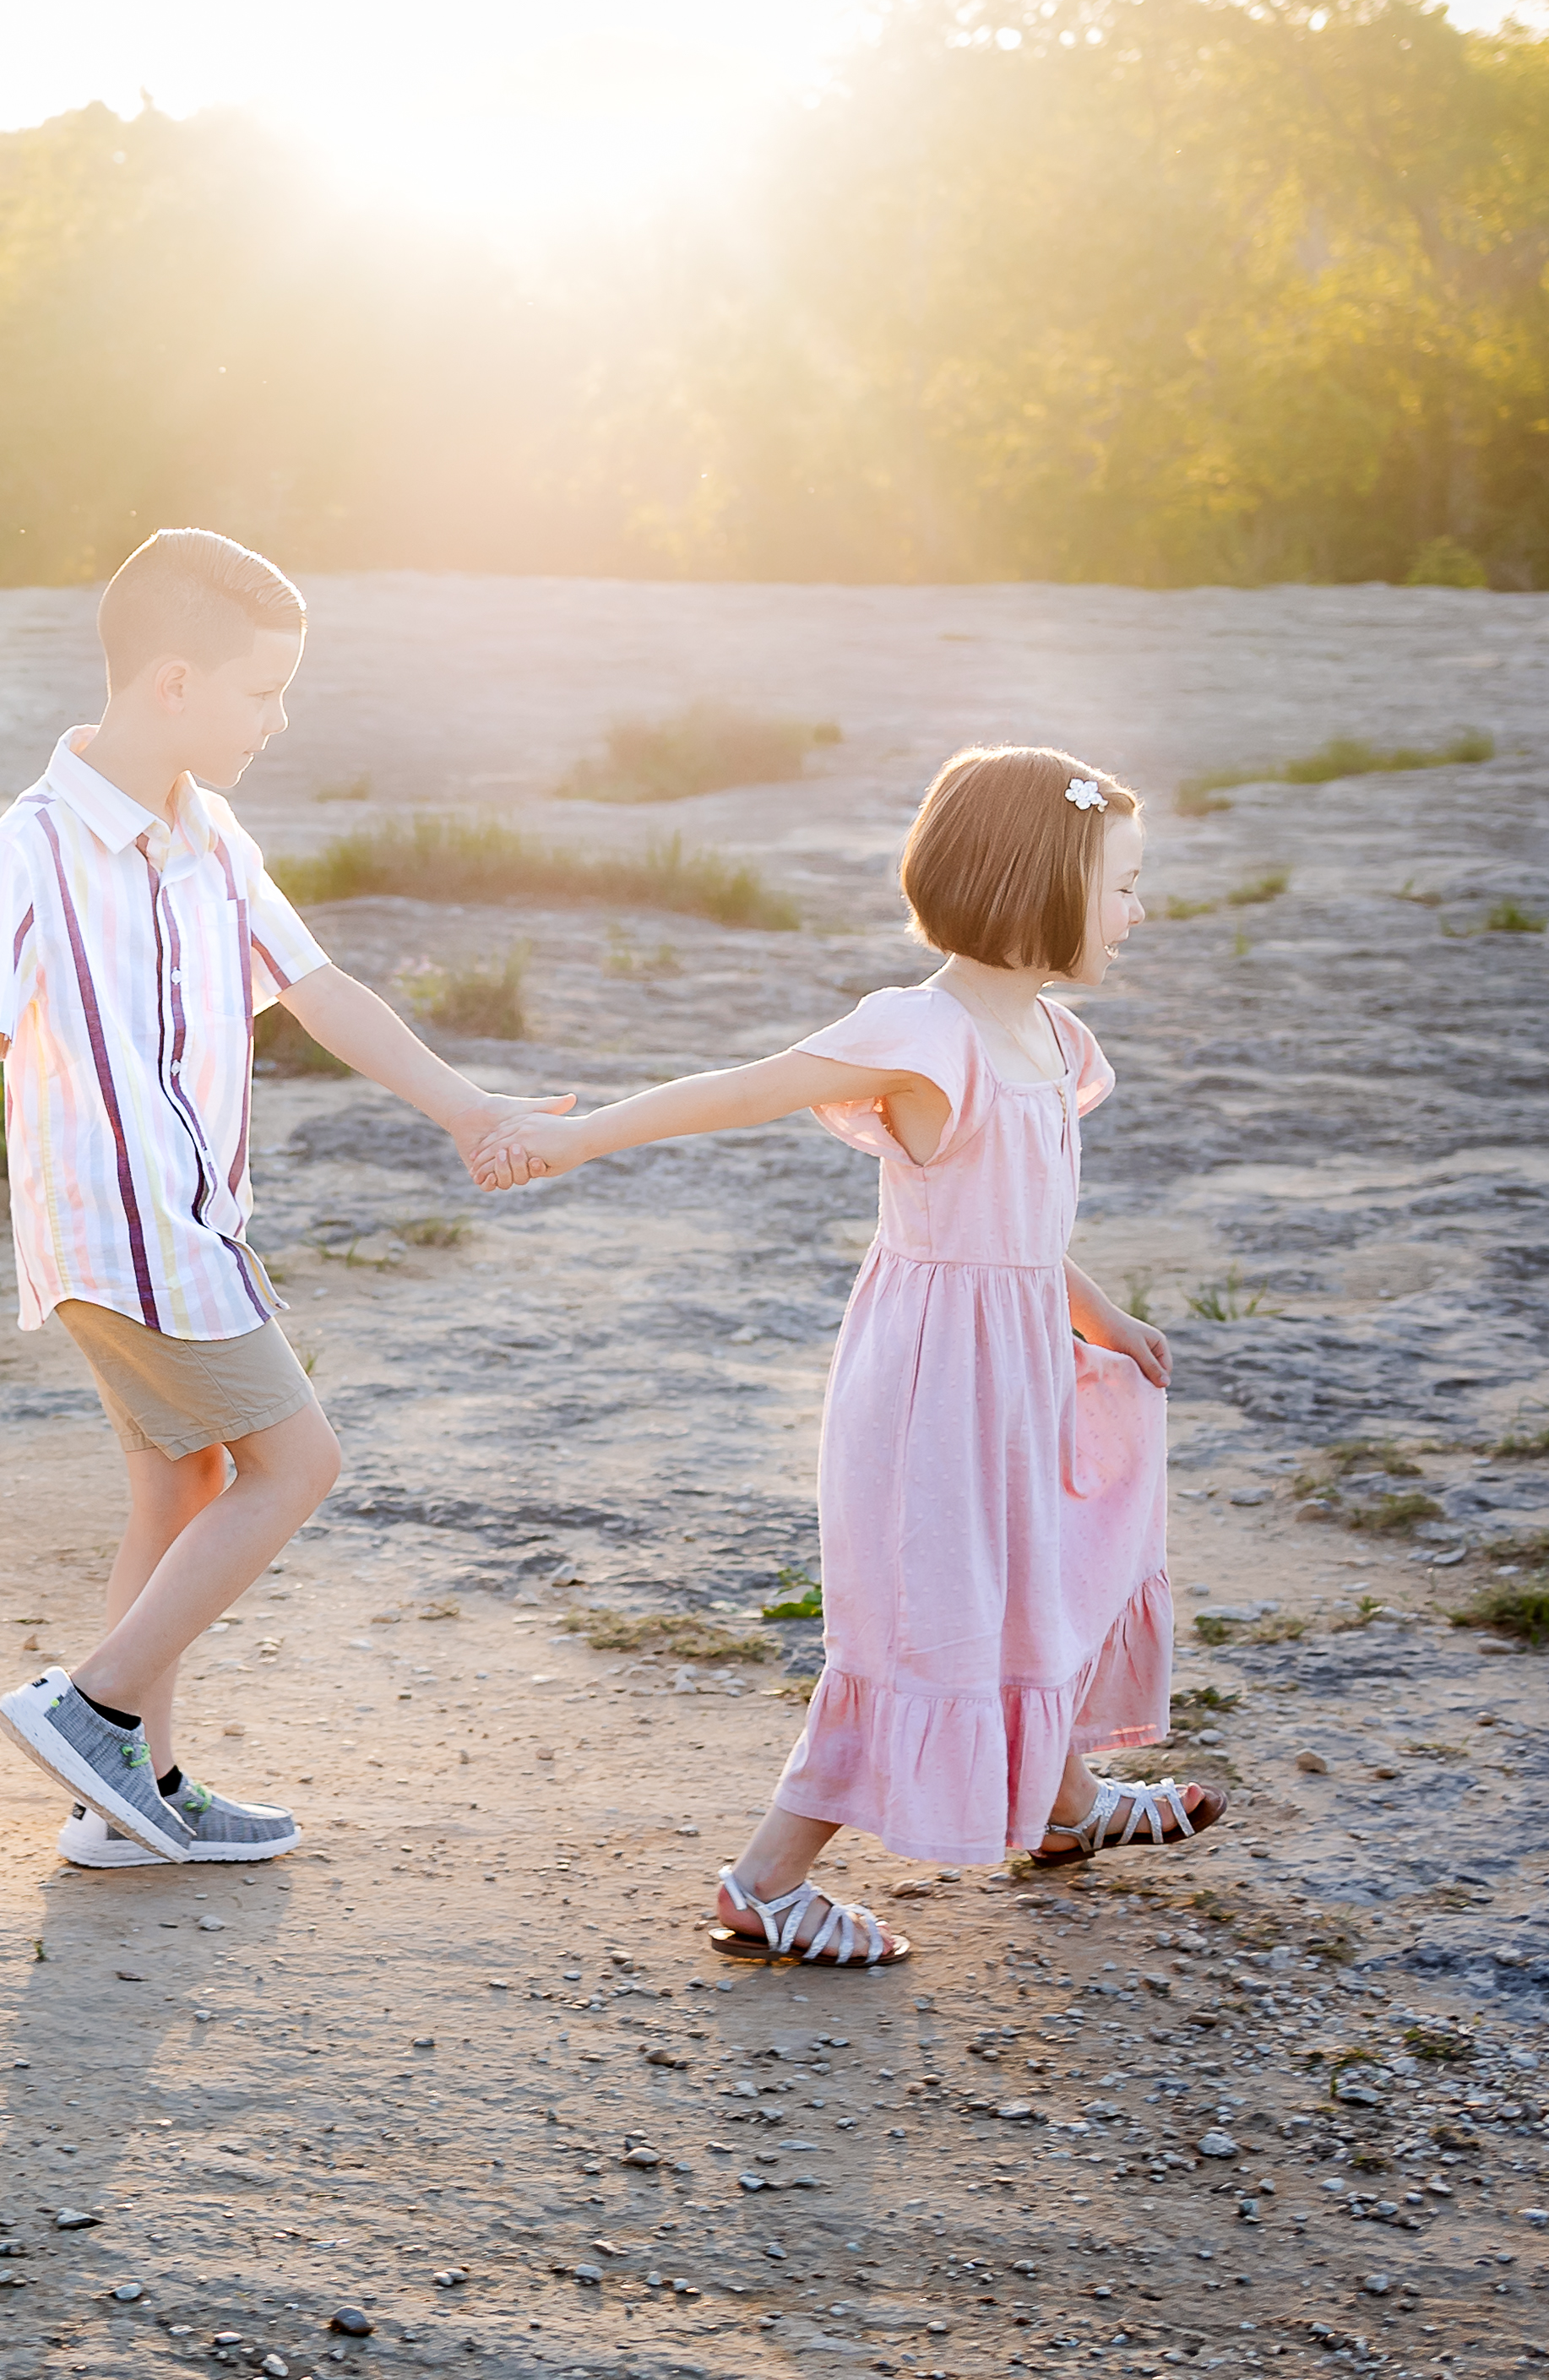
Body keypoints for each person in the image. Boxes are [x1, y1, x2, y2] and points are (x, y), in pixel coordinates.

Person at [0, 529, 563, 1865]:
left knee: (184, 1485)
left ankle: (128, 1797)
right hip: (135, 1229)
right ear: (173, 683)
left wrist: (471, 1110)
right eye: (263, 691)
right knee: (300, 1461)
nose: (280, 721)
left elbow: (320, 989)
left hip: (188, 1217)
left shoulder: (206, 831)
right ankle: (96, 1712)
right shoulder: (30, 848)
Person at [470, 746, 1198, 1967]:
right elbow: (736, 1090)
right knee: (925, 1618)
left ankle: (1064, 1809)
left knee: (1027, 1584)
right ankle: (766, 1883)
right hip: (931, 1392)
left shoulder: (1052, 1041)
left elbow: (1015, 1230)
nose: (1138, 911)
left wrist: (1099, 1316)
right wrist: (565, 1143)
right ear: (1038, 883)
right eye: (1122, 883)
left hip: (1015, 1376)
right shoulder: (927, 1033)